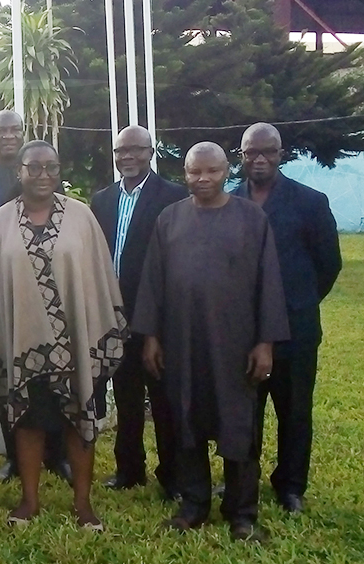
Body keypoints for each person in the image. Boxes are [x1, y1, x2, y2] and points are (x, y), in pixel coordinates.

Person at [0, 140, 128, 531]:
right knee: (28, 421)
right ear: (18, 171)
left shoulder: (81, 217)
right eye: (34, 168)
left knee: (79, 421)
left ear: (59, 171)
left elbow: (98, 279)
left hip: (76, 343)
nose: (43, 175)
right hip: (23, 344)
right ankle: (29, 501)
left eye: (51, 168)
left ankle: (84, 505)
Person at [133, 141, 290, 542]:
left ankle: (242, 513)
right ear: (184, 173)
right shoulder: (170, 219)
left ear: (226, 172)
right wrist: (150, 336)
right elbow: (153, 281)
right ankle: (194, 504)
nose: (202, 179)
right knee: (186, 421)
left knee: (238, 426)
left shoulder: (251, 219)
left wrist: (265, 343)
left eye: (212, 172)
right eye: (193, 172)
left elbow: (269, 282)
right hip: (182, 342)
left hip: (236, 346)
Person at [233, 123, 342, 513]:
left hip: (295, 331)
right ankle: (243, 480)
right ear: (241, 155)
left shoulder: (310, 202)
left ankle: (290, 485)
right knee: (246, 413)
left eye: (268, 151)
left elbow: (328, 265)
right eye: (252, 152)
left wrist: (298, 303)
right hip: (244, 333)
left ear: (281, 154)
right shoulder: (230, 201)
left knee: (294, 412)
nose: (260, 159)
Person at [0, 110, 70, 484]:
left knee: (57, 380)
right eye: (1, 131)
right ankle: (15, 456)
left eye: (15, 130)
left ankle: (57, 455)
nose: (8, 136)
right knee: (10, 381)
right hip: (7, 291)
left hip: (53, 300)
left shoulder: (50, 186)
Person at [90, 125, 187, 500]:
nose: (127, 157)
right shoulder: (102, 199)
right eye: (120, 151)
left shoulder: (173, 197)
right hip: (114, 317)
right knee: (126, 398)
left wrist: (158, 323)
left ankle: (173, 475)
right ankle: (129, 469)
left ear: (150, 152)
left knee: (163, 401)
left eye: (135, 150)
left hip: (157, 318)